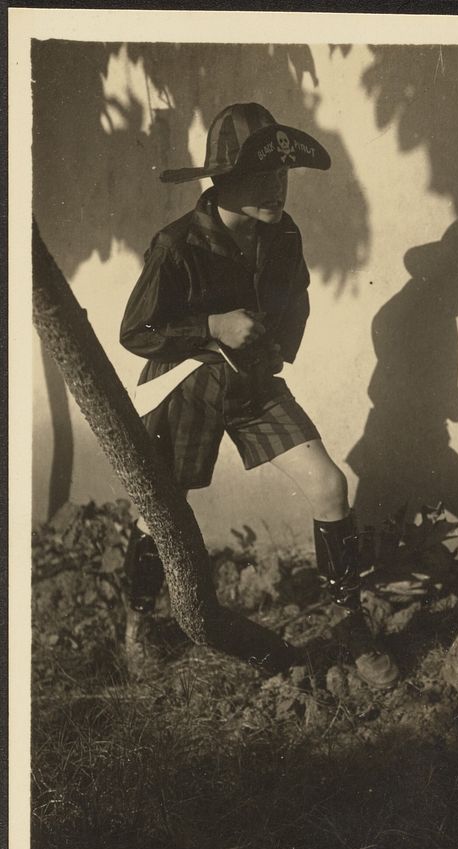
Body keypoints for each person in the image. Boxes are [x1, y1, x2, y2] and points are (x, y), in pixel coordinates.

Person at [120, 102, 398, 690]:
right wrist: (211, 329)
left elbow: (295, 295)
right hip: (186, 387)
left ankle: (352, 625)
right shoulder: (177, 245)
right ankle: (138, 623)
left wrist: (277, 348)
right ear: (223, 182)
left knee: (329, 484)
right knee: (158, 510)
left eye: (282, 175)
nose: (277, 188)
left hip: (251, 383)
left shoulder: (282, 233)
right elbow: (136, 333)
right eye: (261, 177)